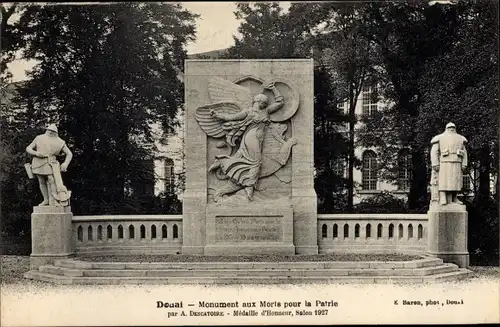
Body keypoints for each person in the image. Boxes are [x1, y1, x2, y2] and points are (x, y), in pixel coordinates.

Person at [208, 82, 284, 201]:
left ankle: (223, 162)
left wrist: (274, 88)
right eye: (264, 102)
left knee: (252, 162)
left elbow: (280, 102)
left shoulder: (266, 112)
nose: (266, 104)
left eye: (266, 103)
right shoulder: (248, 112)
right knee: (256, 162)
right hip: (251, 138)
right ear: (257, 101)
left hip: (259, 140)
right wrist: (217, 115)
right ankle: (249, 187)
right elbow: (231, 118)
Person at [26, 124, 73, 206]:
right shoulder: (39, 138)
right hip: (38, 161)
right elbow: (28, 148)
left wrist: (65, 163)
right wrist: (36, 153)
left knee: (51, 179)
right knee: (41, 180)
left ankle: (55, 200)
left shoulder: (60, 142)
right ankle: (46, 200)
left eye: (52, 131)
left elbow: (69, 154)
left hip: (51, 162)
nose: (50, 132)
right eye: (49, 131)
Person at [430, 122, 468, 205]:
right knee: (444, 181)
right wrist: (435, 163)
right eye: (449, 127)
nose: (451, 129)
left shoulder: (461, 139)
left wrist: (464, 163)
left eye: (453, 127)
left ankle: (454, 198)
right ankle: (443, 197)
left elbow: (464, 152)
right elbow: (434, 151)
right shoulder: (439, 138)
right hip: (444, 162)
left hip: (457, 162)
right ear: (446, 128)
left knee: (456, 181)